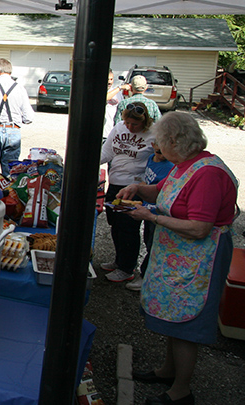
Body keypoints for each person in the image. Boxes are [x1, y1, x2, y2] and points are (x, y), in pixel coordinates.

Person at [117, 112, 238, 405]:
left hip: (199, 260)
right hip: (179, 256)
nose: (155, 147)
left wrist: (151, 216)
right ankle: (168, 370)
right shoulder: (186, 165)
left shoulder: (208, 173)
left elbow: (200, 227)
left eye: (158, 142)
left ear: (174, 141)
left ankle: (181, 391)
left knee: (186, 323)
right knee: (173, 315)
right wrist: (138, 189)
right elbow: (162, 191)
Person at [99, 102, 154, 284]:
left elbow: (160, 160)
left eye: (135, 124)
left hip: (134, 188)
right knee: (115, 224)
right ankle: (119, 260)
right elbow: (106, 152)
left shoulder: (153, 133)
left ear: (144, 122)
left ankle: (127, 268)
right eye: (127, 123)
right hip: (115, 184)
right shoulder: (119, 127)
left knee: (128, 228)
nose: (130, 127)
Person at [126, 141, 174, 292]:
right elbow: (148, 182)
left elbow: (165, 191)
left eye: (166, 152)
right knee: (148, 242)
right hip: (147, 210)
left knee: (154, 246)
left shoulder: (170, 167)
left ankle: (146, 277)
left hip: (157, 213)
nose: (162, 155)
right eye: (159, 152)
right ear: (153, 145)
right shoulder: (151, 158)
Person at [104, 70, 130, 141]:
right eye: (108, 79)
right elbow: (106, 97)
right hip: (103, 131)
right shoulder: (98, 90)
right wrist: (120, 88)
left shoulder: (117, 93)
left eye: (111, 79)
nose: (109, 82)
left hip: (113, 130)